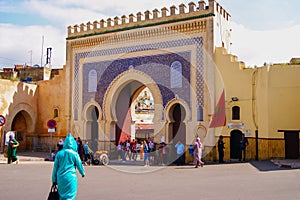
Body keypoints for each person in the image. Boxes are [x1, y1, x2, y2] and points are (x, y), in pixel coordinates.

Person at [52, 133, 85, 200]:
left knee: (62, 196)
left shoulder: (59, 154)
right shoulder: (74, 154)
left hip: (60, 178)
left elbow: (55, 168)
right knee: (70, 196)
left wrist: (54, 180)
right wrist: (82, 173)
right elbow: (79, 165)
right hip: (71, 177)